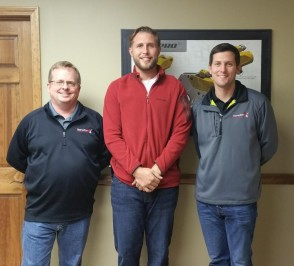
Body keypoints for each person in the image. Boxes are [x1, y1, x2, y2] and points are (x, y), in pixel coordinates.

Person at [6, 61, 110, 266]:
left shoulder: (95, 121)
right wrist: (43, 172)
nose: (65, 87)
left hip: (78, 214)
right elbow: (16, 157)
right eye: (59, 81)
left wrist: (84, 170)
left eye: (71, 83)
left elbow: (104, 156)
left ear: (78, 88)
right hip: (38, 214)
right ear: (49, 86)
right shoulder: (32, 121)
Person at [103, 26, 192, 266]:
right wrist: (136, 170)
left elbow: (181, 132)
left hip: (164, 186)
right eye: (140, 45)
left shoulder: (176, 87)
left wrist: (156, 170)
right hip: (125, 187)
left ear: (158, 49)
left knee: (160, 255)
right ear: (131, 50)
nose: (145, 50)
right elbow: (111, 136)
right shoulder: (116, 88)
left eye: (150, 45)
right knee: (127, 255)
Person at [192, 43, 278, 266]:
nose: (223, 69)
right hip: (207, 200)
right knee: (218, 259)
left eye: (229, 64)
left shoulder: (258, 103)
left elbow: (268, 145)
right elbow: (200, 149)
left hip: (241, 200)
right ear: (209, 68)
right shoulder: (198, 107)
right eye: (218, 64)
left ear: (238, 68)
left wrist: (245, 164)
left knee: (240, 261)